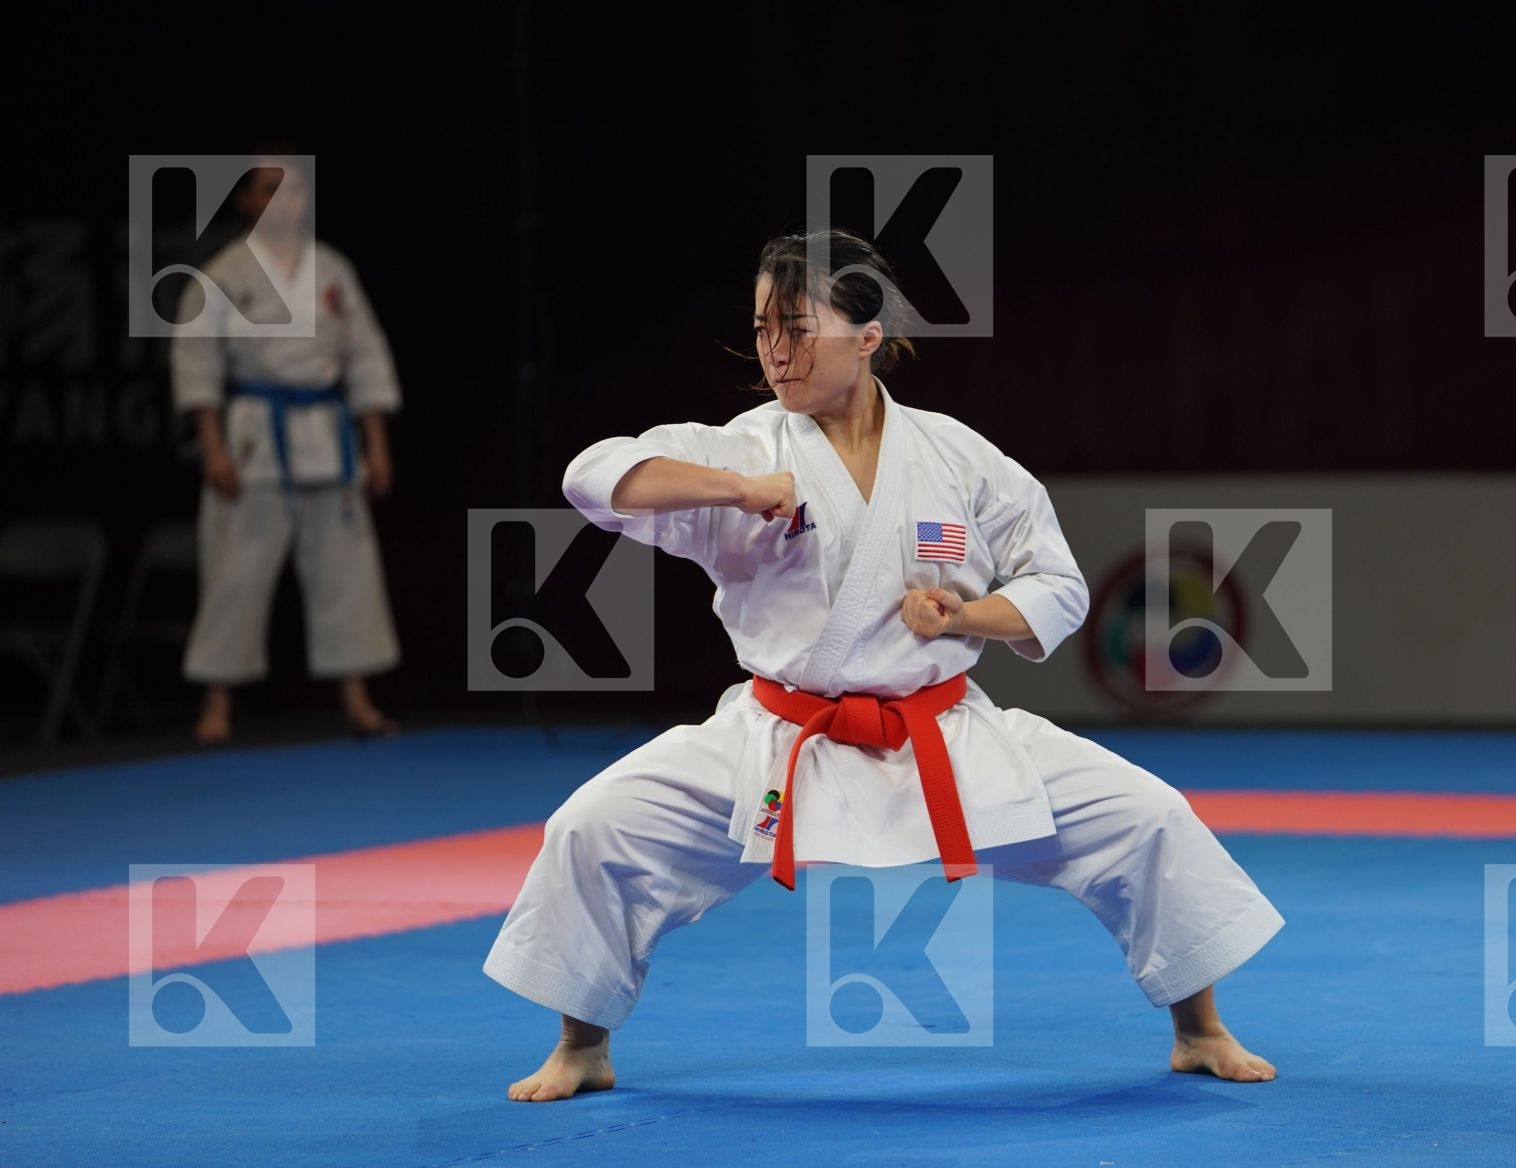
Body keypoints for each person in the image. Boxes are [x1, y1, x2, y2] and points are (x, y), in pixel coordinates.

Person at [484, 230, 1283, 1101]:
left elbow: (1058, 585)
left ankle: (1199, 1030)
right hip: (780, 736)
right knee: (593, 827)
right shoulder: (744, 451)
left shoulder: (956, 456)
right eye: (760, 329)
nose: (775, 352)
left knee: (1146, 813)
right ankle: (582, 1044)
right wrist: (735, 491)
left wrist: (967, 614)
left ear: (868, 336)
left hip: (939, 729)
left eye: (798, 327)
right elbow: (591, 477)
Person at [170, 150, 402, 743]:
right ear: (246, 200)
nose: (284, 200)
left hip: (326, 431)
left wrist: (376, 443)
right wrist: (212, 445)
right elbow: (197, 364)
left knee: (346, 571)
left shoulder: (332, 270)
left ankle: (357, 700)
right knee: (234, 571)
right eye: (270, 189)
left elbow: (366, 356)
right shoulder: (222, 273)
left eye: (294, 189)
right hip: (254, 433)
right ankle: (216, 706)